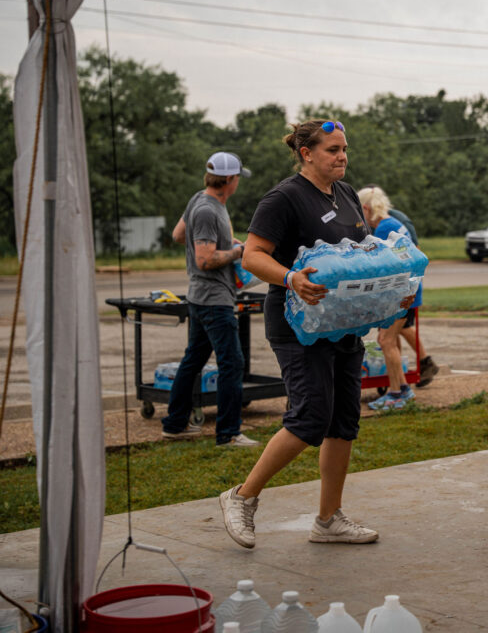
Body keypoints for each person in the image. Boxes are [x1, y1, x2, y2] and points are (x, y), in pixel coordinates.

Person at [219, 119, 408, 549]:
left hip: (341, 322)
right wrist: (291, 279)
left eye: (344, 148)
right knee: (309, 418)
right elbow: (252, 257)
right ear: (307, 153)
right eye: (332, 149)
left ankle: (328, 520)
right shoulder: (283, 198)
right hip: (296, 323)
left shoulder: (345, 194)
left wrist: (386, 297)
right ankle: (241, 497)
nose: (342, 156)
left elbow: (360, 260)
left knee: (343, 421)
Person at [161, 152, 258, 449]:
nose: (239, 182)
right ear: (229, 180)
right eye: (238, 177)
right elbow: (205, 260)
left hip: (200, 297)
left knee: (193, 360)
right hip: (214, 298)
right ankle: (228, 433)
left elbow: (179, 235)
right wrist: (238, 253)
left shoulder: (199, 200)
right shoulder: (207, 210)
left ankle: (175, 424)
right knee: (232, 363)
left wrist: (226, 244)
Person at [357, 186, 422, 409]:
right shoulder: (394, 224)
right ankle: (402, 388)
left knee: (386, 340)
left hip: (401, 294)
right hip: (408, 291)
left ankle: (396, 393)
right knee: (389, 339)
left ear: (365, 208)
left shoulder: (384, 229)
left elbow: (380, 267)